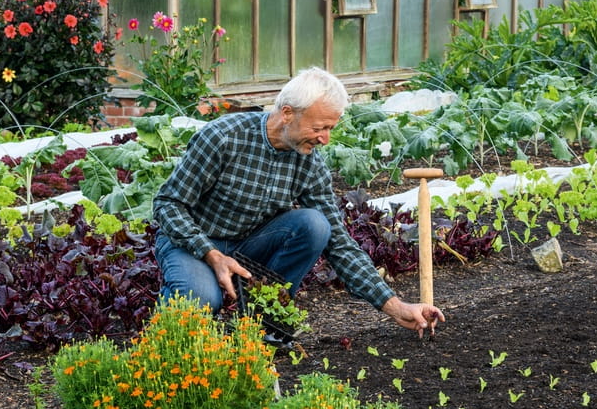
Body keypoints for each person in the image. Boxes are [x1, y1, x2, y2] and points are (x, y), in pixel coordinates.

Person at [152, 67, 444, 338]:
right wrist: (211, 255)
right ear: (288, 113)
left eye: (331, 128)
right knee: (200, 300)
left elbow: (338, 242)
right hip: (192, 242)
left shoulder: (308, 164)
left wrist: (396, 307)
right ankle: (167, 347)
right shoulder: (223, 138)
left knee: (314, 225)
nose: (326, 139)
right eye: (320, 127)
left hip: (248, 245)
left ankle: (262, 326)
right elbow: (167, 204)